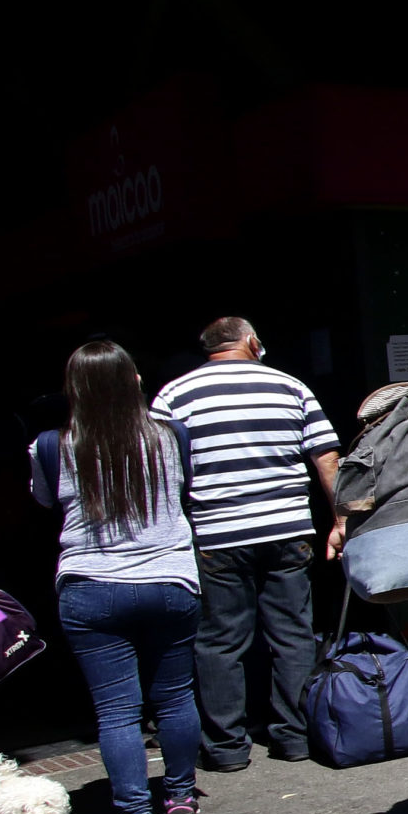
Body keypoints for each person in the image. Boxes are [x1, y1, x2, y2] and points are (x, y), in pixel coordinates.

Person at [32, 341, 202, 814]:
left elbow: (45, 501)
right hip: (170, 581)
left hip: (91, 586)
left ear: (73, 390)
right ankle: (180, 798)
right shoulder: (172, 435)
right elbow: (184, 490)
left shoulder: (50, 446)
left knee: (117, 711)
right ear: (134, 380)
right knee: (175, 696)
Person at [151, 318, 339, 771]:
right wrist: (341, 519)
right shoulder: (291, 387)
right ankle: (294, 737)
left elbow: (157, 470)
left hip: (217, 533)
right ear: (252, 342)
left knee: (220, 641)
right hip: (286, 529)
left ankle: (226, 747)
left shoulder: (174, 395)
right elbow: (326, 457)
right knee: (292, 634)